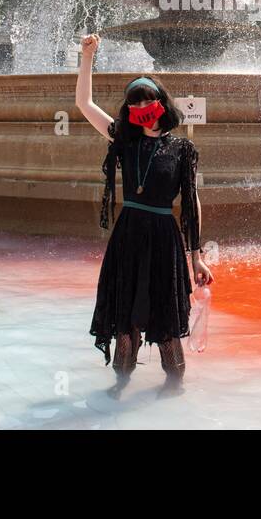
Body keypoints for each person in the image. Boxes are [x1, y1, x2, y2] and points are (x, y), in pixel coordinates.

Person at [76, 32, 211, 397]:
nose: (142, 106)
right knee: (125, 314)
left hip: (165, 236)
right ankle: (119, 387)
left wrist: (196, 258)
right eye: (134, 102)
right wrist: (88, 56)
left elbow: (191, 202)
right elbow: (85, 103)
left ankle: (174, 388)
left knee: (166, 318)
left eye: (148, 99)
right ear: (129, 110)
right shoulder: (124, 140)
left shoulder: (183, 148)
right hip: (129, 234)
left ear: (161, 103)